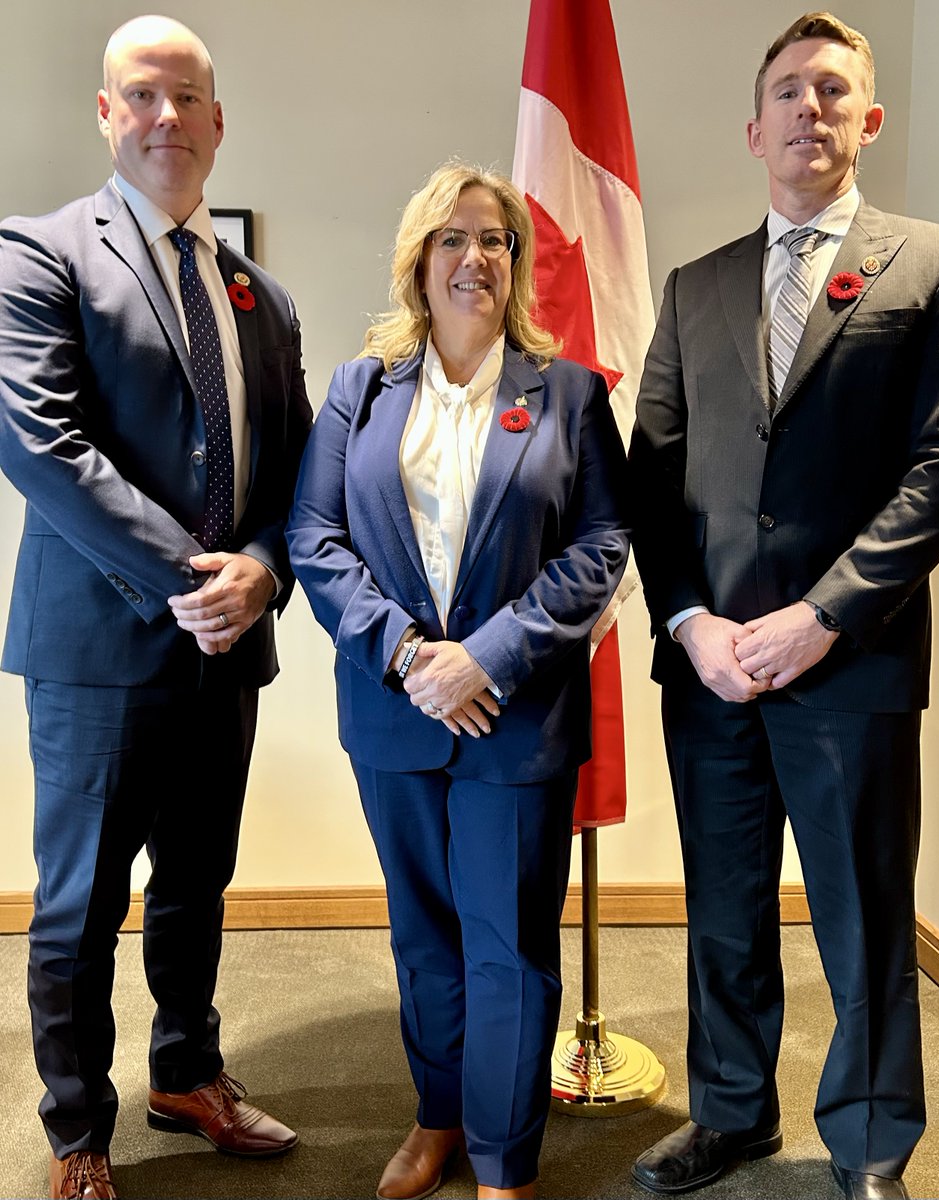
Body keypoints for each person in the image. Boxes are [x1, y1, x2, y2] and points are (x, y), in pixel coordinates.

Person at [628, 12, 939, 1200]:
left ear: (867, 121)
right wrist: (689, 623)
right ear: (753, 126)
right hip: (712, 669)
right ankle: (731, 1116)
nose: (808, 109)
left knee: (864, 918)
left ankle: (871, 1143)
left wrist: (821, 616)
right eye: (788, 91)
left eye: (833, 91)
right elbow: (649, 481)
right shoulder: (696, 284)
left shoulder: (934, 263)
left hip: (850, 662)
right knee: (722, 911)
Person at [0, 15, 312, 1199]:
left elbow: (296, 476)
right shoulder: (38, 254)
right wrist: (199, 578)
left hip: (228, 650)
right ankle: (79, 1131)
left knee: (197, 879)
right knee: (80, 903)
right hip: (99, 648)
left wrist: (267, 569)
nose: (166, 118)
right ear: (105, 113)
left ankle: (187, 1071)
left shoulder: (260, 299)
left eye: (187, 98)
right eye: (142, 95)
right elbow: (41, 447)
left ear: (218, 122)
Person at [287, 162, 629, 1200]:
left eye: (494, 240)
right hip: (395, 717)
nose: (473, 257)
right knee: (421, 933)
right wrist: (404, 653)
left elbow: (603, 543)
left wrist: (491, 653)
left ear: (515, 265)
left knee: (510, 950)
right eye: (452, 238)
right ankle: (437, 1118)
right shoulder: (360, 389)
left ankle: (501, 1160)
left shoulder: (567, 392)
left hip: (514, 723)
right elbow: (314, 534)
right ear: (418, 261)